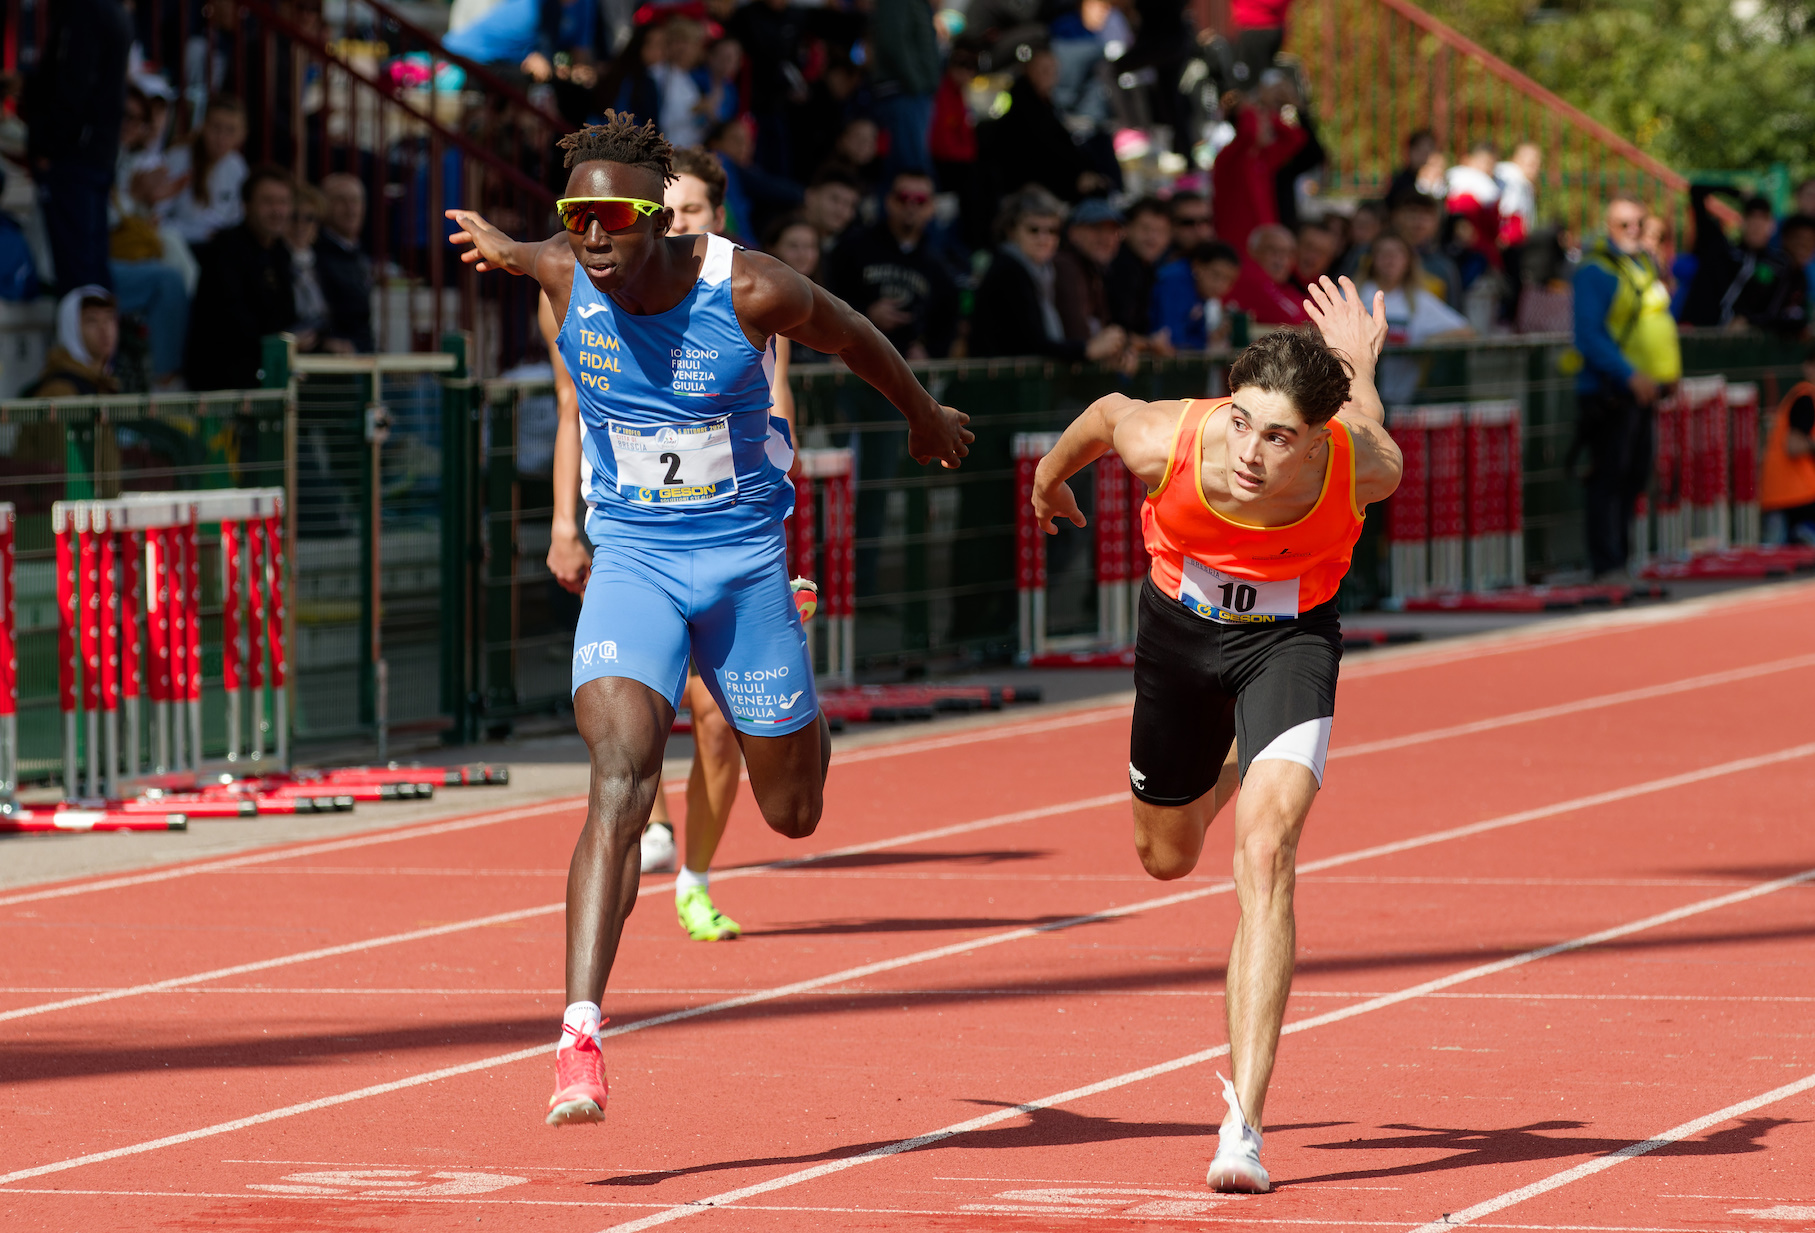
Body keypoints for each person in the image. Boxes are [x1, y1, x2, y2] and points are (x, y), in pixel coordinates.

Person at [445, 113, 972, 1125]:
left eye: (612, 219)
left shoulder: (749, 286)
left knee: (794, 811)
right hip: (634, 565)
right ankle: (579, 1037)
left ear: (659, 223)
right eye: (575, 219)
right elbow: (534, 253)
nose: (591, 239)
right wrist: (509, 248)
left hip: (741, 570)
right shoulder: (560, 272)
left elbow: (855, 334)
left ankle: (798, 696)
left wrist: (921, 414)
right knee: (620, 778)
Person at [1029, 277, 1401, 1194]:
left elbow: (1375, 427)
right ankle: (1245, 751)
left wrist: (1358, 366)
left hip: (1290, 644)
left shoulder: (1362, 464)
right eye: (1242, 422)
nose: (1250, 451)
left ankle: (1244, 1124)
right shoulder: (1169, 438)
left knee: (1265, 855)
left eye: (1278, 436)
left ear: (1318, 436)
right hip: (1179, 638)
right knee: (1164, 853)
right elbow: (1103, 410)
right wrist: (1047, 484)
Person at [1572, 195, 1681, 580]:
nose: (1633, 231)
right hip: (1612, 390)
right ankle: (1607, 563)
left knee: (1634, 475)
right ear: (1608, 227)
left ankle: (1623, 558)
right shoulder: (1595, 271)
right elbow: (1588, 333)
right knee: (1609, 477)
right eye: (1624, 225)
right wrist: (1628, 374)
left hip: (1644, 390)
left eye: (1639, 223)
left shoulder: (1643, 266)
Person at [22, 0, 132, 292]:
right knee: (92, 268)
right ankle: (99, 335)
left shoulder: (85, 10)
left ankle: (87, 336)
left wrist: (47, 145)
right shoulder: (111, 10)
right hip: (94, 154)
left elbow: (74, 85)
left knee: (79, 272)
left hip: (75, 158)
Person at [971, 185, 1128, 362]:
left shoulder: (1041, 271)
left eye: (1052, 231)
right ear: (1012, 231)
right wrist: (1087, 350)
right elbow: (1030, 344)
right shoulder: (1009, 270)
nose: (1044, 238)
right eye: (1034, 230)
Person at [825, 169, 960, 360]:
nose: (911, 206)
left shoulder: (939, 265)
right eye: (903, 197)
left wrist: (929, 353)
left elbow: (947, 324)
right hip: (853, 359)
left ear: (932, 208)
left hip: (906, 370)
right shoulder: (852, 247)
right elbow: (828, 298)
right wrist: (866, 313)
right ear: (888, 201)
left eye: (920, 200)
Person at [184, 166, 298, 391]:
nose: (277, 210)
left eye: (283, 202)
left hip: (268, 369)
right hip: (225, 382)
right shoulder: (226, 250)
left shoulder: (281, 252)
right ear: (246, 206)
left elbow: (287, 313)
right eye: (268, 202)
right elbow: (234, 326)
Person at [1357, 232, 1471, 404]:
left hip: (1404, 400)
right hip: (1358, 399)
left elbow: (1466, 331)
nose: (1390, 259)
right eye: (1384, 253)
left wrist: (1427, 342)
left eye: (1397, 253)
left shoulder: (1420, 300)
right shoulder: (1355, 293)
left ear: (1408, 261)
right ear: (1372, 259)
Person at [1682, 188, 1799, 334]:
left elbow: (1777, 310)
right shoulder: (1721, 251)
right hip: (1701, 335)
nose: (1756, 225)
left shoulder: (1779, 265)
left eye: (1763, 219)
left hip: (1745, 343)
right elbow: (1697, 190)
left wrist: (1749, 321)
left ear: (1772, 225)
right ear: (1742, 221)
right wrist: (1738, 193)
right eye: (1751, 218)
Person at [162, 96, 251, 247]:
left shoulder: (238, 167)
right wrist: (200, 233)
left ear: (241, 135)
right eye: (216, 127)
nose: (221, 137)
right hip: (182, 246)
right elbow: (158, 219)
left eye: (230, 130)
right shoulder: (177, 159)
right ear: (203, 127)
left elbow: (237, 220)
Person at [868, 0, 941, 184]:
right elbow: (893, 41)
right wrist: (916, 83)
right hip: (904, 92)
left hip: (912, 92)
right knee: (908, 169)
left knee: (911, 165)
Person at [1760, 345, 1815, 544]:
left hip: (1785, 494)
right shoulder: (1806, 397)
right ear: (1808, 367)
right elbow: (1794, 445)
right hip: (1797, 495)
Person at [316, 173, 376, 353]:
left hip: (362, 355)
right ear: (323, 206)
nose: (350, 209)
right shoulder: (314, 254)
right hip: (336, 362)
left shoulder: (357, 253)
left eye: (355, 201)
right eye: (340, 200)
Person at [1054, 197, 1124, 346]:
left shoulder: (1093, 270)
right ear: (1073, 232)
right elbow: (1079, 336)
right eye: (1096, 229)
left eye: (1113, 231)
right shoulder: (1066, 266)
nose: (1106, 238)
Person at [25, 286, 120, 397]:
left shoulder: (103, 380)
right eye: (92, 321)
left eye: (109, 318)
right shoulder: (60, 389)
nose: (104, 329)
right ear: (71, 328)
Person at [1149, 241, 1241, 351]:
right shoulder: (1175, 281)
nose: (1221, 285)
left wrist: (1211, 337)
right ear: (1198, 266)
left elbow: (1198, 336)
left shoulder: (1200, 291)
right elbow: (1170, 338)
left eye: (1228, 280)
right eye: (1216, 275)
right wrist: (1202, 342)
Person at [1105, 197, 1174, 340]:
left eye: (1160, 231)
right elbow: (1119, 329)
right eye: (1145, 228)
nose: (1152, 237)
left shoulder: (1149, 268)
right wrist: (1149, 344)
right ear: (1126, 229)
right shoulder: (1119, 266)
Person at [1225, 223, 1310, 326]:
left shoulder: (1285, 288)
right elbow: (1291, 321)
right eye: (1273, 251)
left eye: (1288, 253)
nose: (1281, 260)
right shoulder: (1250, 278)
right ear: (1253, 251)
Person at [801, 164, 864, 254]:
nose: (841, 210)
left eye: (849, 205)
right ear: (810, 196)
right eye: (835, 199)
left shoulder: (849, 249)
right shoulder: (780, 232)